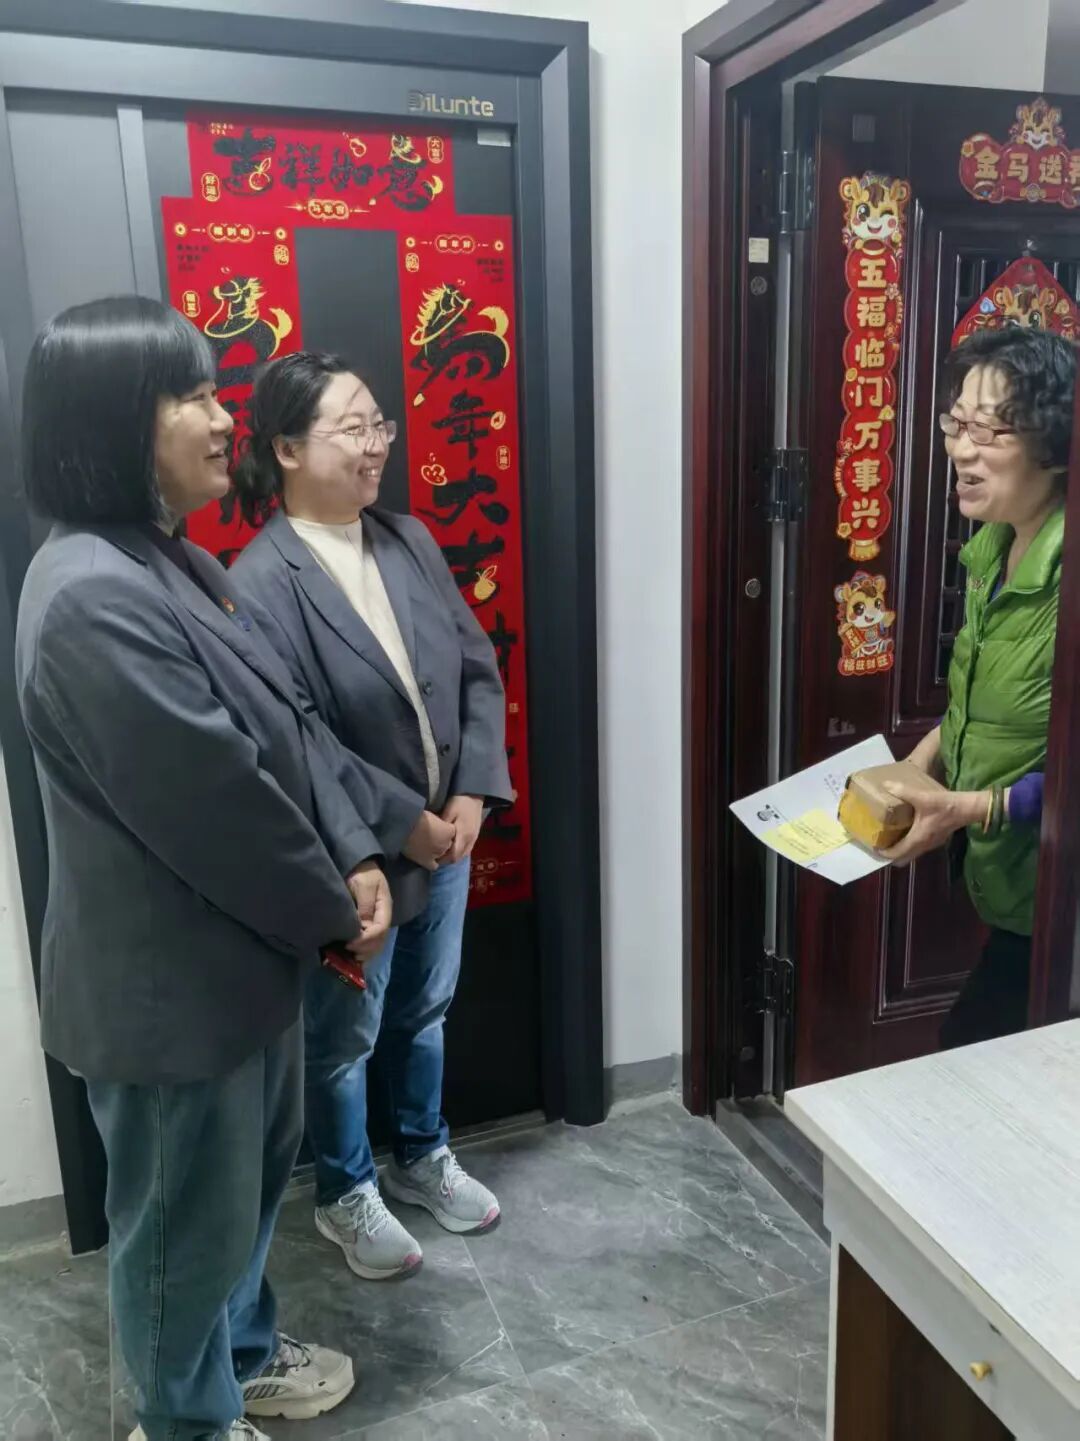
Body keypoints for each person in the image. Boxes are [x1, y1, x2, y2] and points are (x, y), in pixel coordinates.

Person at [15, 298, 401, 1441]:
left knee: (235, 1206)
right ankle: (184, 1421)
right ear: (111, 420)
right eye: (190, 396)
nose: (223, 418)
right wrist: (332, 910)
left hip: (238, 964)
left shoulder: (166, 557)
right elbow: (218, 803)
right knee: (181, 1235)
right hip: (168, 997)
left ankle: (239, 1358)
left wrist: (351, 851)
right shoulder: (90, 593)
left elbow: (280, 726)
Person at [230, 351, 514, 1282]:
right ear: (286, 449)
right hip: (355, 858)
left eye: (378, 423)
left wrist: (471, 789)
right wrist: (404, 824)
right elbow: (296, 735)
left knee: (428, 1008)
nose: (375, 444)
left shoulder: (407, 538)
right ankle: (345, 1189)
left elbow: (475, 666)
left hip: (451, 836)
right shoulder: (260, 580)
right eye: (351, 428)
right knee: (344, 1037)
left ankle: (423, 1152)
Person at [881, 326, 1076, 1049]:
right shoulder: (993, 546)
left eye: (989, 431)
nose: (962, 451)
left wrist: (972, 807)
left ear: (1055, 446)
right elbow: (981, 702)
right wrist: (919, 761)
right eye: (956, 423)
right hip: (1016, 888)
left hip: (1065, 900)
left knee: (971, 1055)